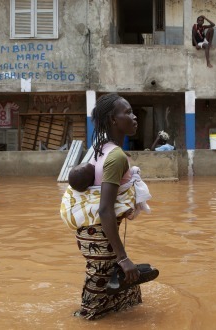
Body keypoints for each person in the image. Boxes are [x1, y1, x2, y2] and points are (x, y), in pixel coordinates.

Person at [59, 93, 156, 320]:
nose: (134, 117)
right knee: (91, 310)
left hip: (95, 234)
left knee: (129, 289)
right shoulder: (115, 157)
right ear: (113, 119)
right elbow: (104, 209)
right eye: (128, 112)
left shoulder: (99, 149)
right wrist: (122, 258)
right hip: (100, 238)